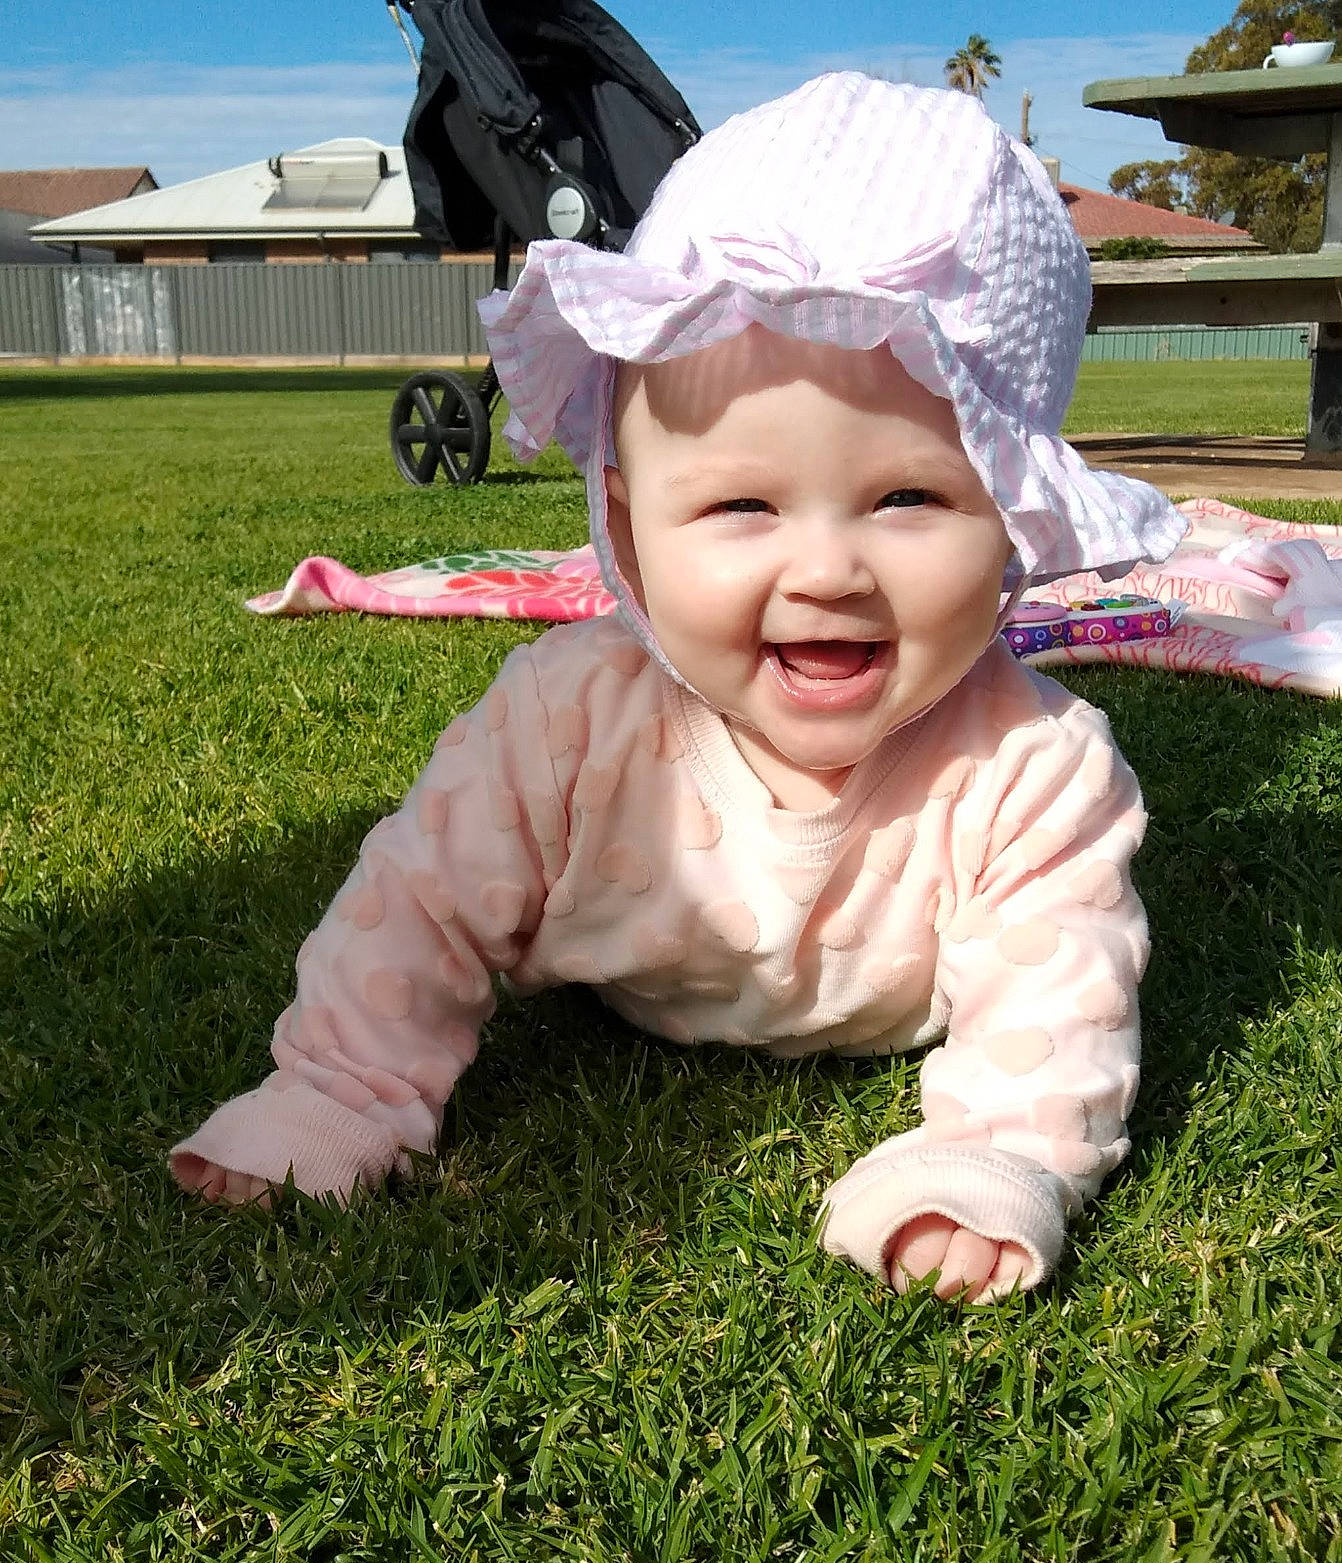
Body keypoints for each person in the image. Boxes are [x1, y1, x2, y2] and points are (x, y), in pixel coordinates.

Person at [170, 73, 1186, 1303]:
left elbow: (1057, 985)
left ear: (1015, 527)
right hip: (625, 995)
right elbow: (419, 905)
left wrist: (996, 1155)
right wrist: (339, 1090)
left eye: (908, 498)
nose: (825, 571)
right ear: (626, 524)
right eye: (740, 505)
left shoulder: (1034, 765)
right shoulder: (565, 720)